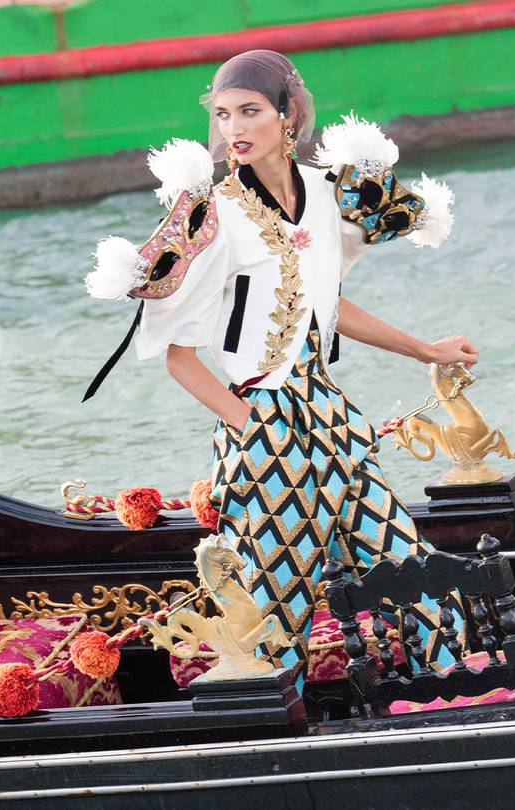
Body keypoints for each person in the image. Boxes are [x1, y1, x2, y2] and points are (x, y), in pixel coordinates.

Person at [84, 49, 475, 683]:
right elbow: (178, 357)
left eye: (249, 111)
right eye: (222, 114)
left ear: (288, 116)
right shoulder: (213, 215)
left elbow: (329, 304)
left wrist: (425, 349)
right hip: (262, 429)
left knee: (410, 571)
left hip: (328, 416)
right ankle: (282, 738)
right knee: (275, 608)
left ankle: (457, 699)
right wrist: (247, 424)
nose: (233, 128)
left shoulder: (328, 195)